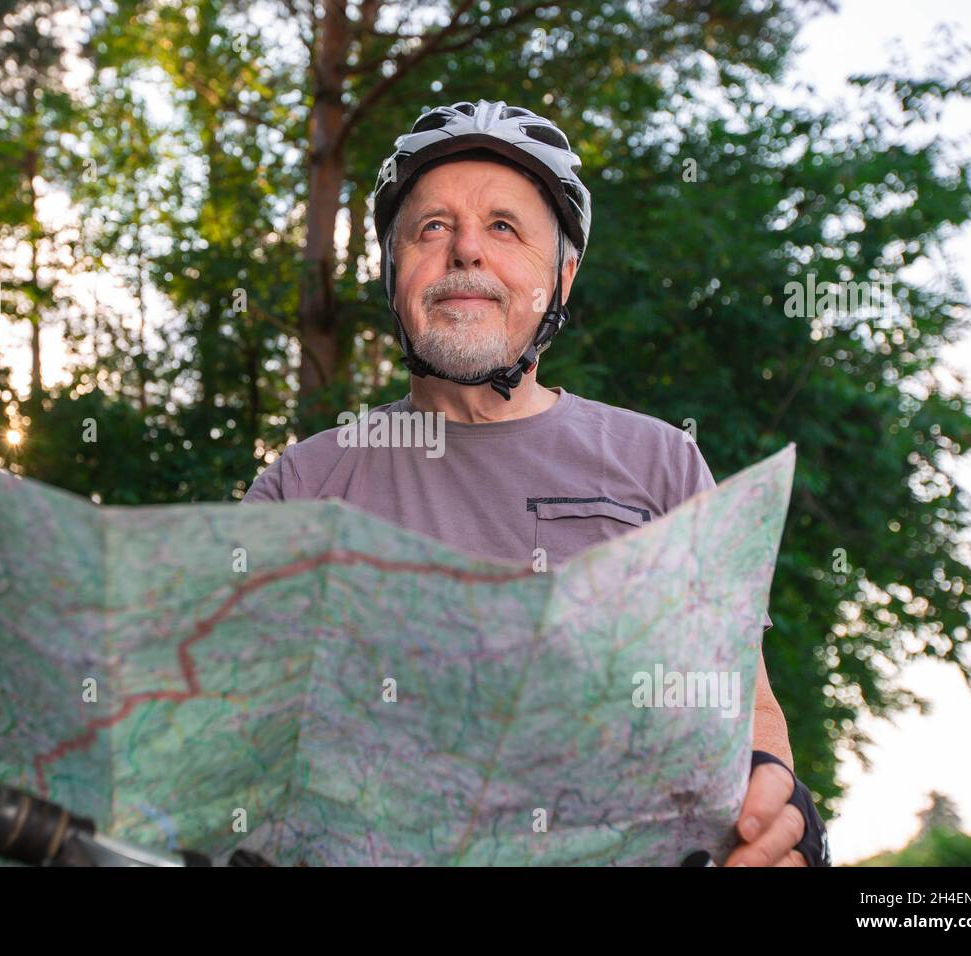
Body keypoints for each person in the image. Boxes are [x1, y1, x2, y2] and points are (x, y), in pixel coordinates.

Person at [242, 99, 829, 867]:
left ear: (562, 278)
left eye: (505, 228)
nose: (466, 254)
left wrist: (781, 812)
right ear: (394, 273)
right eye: (431, 228)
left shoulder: (662, 464)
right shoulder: (302, 484)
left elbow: (741, 704)